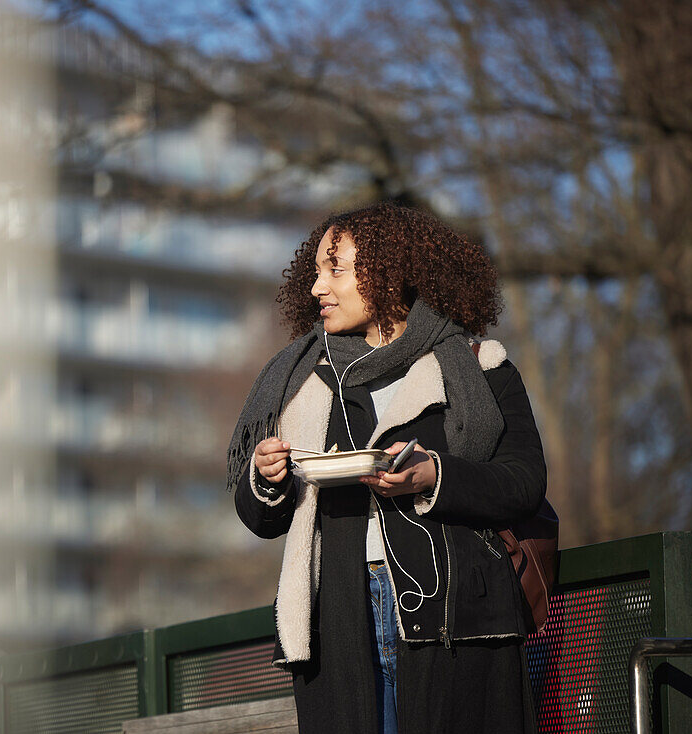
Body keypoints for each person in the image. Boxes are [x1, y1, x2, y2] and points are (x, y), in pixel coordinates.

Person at [227, 201, 546, 734]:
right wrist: (266, 476)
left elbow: (523, 484)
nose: (316, 290)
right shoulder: (304, 383)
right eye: (314, 273)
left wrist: (434, 477)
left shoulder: (482, 367)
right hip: (338, 625)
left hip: (458, 624)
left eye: (336, 270)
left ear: (389, 273)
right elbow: (258, 518)